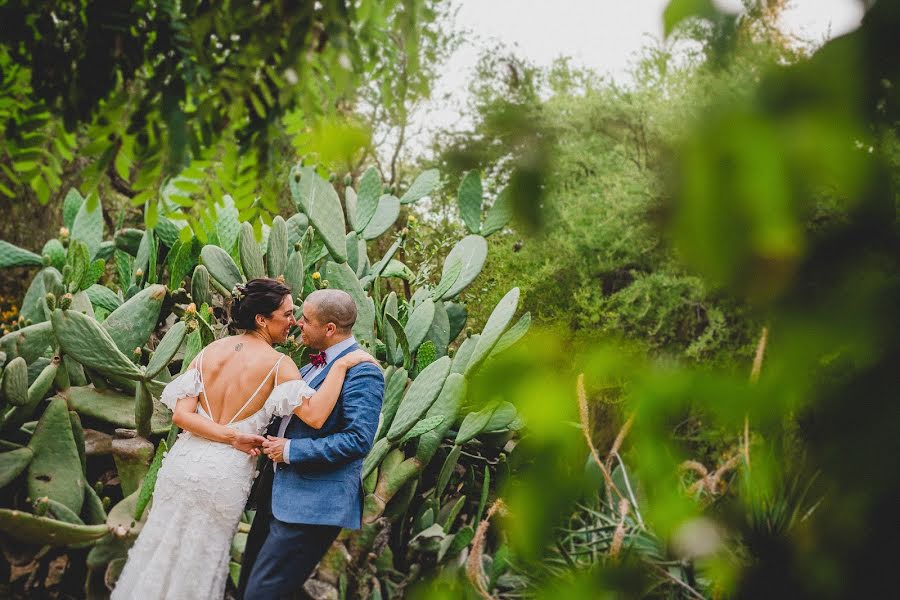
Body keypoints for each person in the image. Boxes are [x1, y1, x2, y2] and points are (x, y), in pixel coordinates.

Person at [111, 278, 377, 599]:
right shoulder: (281, 364)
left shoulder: (209, 351)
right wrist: (342, 365)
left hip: (183, 465)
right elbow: (317, 415)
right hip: (223, 474)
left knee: (160, 551)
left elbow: (181, 417)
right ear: (262, 319)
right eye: (289, 314)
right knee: (199, 563)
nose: (294, 323)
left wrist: (228, 434)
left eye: (300, 317)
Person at [238, 289, 385, 599]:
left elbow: (358, 440)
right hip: (276, 498)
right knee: (248, 586)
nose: (297, 324)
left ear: (329, 328)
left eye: (305, 320)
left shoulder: (363, 371)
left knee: (262, 594)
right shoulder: (309, 368)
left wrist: (290, 451)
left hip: (312, 505)